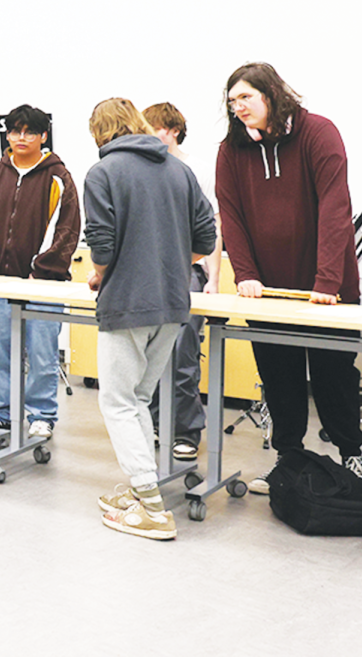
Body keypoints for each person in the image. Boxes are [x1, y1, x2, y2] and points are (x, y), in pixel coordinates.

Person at [215, 63, 362, 493]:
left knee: (334, 377)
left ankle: (351, 458)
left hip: (328, 291)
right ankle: (288, 459)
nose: (237, 106)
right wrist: (244, 273)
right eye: (232, 100)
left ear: (270, 93)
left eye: (245, 96)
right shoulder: (232, 150)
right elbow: (232, 216)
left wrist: (326, 282)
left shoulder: (319, 133)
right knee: (279, 377)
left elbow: (336, 209)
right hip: (268, 292)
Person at [84, 98, 216, 540]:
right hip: (174, 302)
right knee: (139, 398)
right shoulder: (179, 171)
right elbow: (206, 238)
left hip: (127, 303)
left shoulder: (103, 173)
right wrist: (170, 263)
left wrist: (100, 273)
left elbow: (101, 246)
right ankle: (145, 490)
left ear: (101, 133)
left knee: (117, 402)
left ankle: (153, 507)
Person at [0, 104, 80, 439]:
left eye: (30, 131)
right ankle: (1, 411)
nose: (22, 137)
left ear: (43, 136)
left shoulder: (59, 177)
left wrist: (40, 273)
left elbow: (65, 230)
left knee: (43, 356)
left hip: (44, 287)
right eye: (15, 131)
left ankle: (42, 414)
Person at [142, 102, 222, 461]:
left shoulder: (198, 169)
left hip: (188, 271)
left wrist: (213, 279)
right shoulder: (143, 167)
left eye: (156, 127)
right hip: (150, 272)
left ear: (173, 130)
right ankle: (157, 423)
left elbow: (214, 228)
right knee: (151, 355)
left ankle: (185, 430)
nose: (150, 133)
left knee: (183, 353)